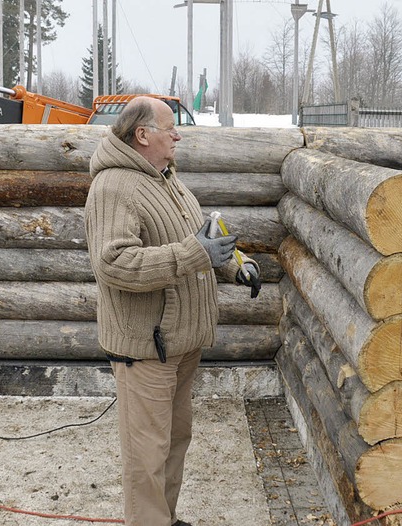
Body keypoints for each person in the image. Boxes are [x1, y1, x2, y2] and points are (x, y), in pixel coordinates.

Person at [84, 96, 259, 526]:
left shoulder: (166, 179)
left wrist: (237, 265)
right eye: (169, 128)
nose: (178, 135)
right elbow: (114, 263)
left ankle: (164, 517)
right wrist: (192, 253)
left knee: (174, 439)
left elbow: (200, 237)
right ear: (142, 135)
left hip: (180, 342)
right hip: (146, 347)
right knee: (147, 453)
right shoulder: (114, 187)